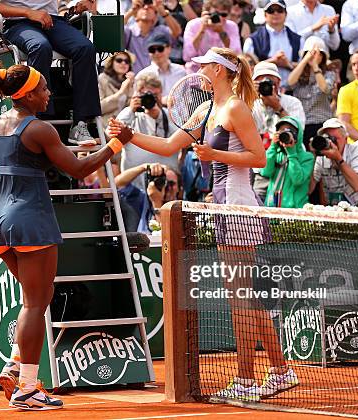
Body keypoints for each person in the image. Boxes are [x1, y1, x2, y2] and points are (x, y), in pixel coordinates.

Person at [108, 47, 298, 401]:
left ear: (221, 71)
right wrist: (128, 135)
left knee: (240, 296)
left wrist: (215, 156)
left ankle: (246, 380)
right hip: (223, 205)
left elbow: (258, 158)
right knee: (246, 295)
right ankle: (280, 371)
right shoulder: (205, 109)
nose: (199, 72)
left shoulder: (236, 107)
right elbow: (167, 146)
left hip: (238, 204)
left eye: (205, 66)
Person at [0, 61, 133, 409]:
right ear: (28, 94)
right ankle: (28, 389)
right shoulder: (40, 129)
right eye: (43, 89)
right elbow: (79, 169)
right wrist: (117, 144)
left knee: (37, 299)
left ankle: (15, 365)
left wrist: (22, 175)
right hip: (29, 220)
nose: (48, 94)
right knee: (34, 303)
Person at [0, 0, 103, 145]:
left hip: (52, 20)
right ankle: (38, 122)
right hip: (17, 23)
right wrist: (28, 12)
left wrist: (83, 2)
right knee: (40, 47)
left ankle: (81, 124)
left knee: (85, 48)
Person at [251, 60, 305, 200]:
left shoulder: (292, 102)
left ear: (279, 83)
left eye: (270, 82)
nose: (266, 85)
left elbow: (299, 132)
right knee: (258, 210)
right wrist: (250, 95)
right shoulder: (249, 104)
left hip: (288, 167)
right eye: (261, 82)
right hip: (261, 168)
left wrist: (278, 108)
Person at [115, 72, 178, 190]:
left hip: (167, 189)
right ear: (137, 95)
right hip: (134, 192)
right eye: (145, 95)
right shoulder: (129, 114)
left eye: (155, 95)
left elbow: (183, 140)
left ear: (160, 95)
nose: (150, 99)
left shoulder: (172, 115)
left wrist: (158, 115)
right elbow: (113, 133)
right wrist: (131, 110)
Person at [309, 118, 358, 206]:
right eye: (327, 138)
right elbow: (309, 190)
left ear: (345, 139)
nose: (331, 142)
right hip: (338, 209)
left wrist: (339, 159)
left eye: (334, 138)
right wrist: (313, 156)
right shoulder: (322, 158)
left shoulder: (356, 151)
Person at [288, 36, 336, 146]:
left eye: (318, 54)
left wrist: (315, 66)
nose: (314, 56)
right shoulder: (298, 73)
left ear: (323, 56)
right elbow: (290, 83)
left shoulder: (329, 74)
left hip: (321, 123)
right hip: (301, 124)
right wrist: (305, 60)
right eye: (311, 53)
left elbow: (325, 88)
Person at [243, 0, 301, 86]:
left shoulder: (298, 39)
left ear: (286, 14)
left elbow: (305, 67)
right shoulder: (252, 40)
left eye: (280, 10)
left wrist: (288, 64)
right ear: (265, 15)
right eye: (271, 11)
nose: (275, 13)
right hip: (262, 91)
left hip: (292, 90)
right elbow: (247, 69)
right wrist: (273, 61)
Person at [261, 116, 314, 208]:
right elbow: (265, 172)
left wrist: (292, 154)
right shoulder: (274, 153)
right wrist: (272, 146)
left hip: (295, 211)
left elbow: (297, 180)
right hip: (271, 209)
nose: (285, 134)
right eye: (282, 131)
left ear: (298, 135)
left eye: (290, 131)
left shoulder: (307, 157)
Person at [115, 163, 181, 232]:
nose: (166, 187)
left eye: (171, 183)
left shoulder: (181, 209)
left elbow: (166, 235)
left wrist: (156, 203)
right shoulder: (144, 200)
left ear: (179, 188)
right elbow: (117, 184)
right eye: (162, 182)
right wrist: (145, 167)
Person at [183, 0, 241, 73]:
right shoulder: (193, 25)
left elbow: (235, 56)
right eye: (215, 14)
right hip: (196, 72)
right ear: (207, 12)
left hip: (222, 73)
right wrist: (202, 29)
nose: (219, 18)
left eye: (223, 14)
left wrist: (221, 32)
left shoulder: (232, 26)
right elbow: (188, 56)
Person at [124, 0, 182, 74]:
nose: (146, 7)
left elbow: (177, 32)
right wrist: (131, 11)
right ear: (135, 16)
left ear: (156, 17)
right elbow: (114, 30)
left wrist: (163, 12)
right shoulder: (129, 32)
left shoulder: (160, 31)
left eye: (151, 7)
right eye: (142, 7)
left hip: (157, 80)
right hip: (136, 81)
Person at [136, 33, 186, 104]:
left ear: (169, 48)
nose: (156, 53)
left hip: (179, 113)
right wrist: (161, 101)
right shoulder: (142, 75)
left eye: (160, 49)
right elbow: (138, 101)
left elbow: (188, 98)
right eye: (152, 50)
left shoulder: (181, 71)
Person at [98, 51, 135, 126]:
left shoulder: (128, 81)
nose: (123, 63)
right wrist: (120, 92)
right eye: (119, 60)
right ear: (112, 62)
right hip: (106, 126)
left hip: (125, 125)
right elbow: (99, 108)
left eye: (127, 61)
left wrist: (131, 86)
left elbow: (131, 108)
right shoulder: (102, 79)